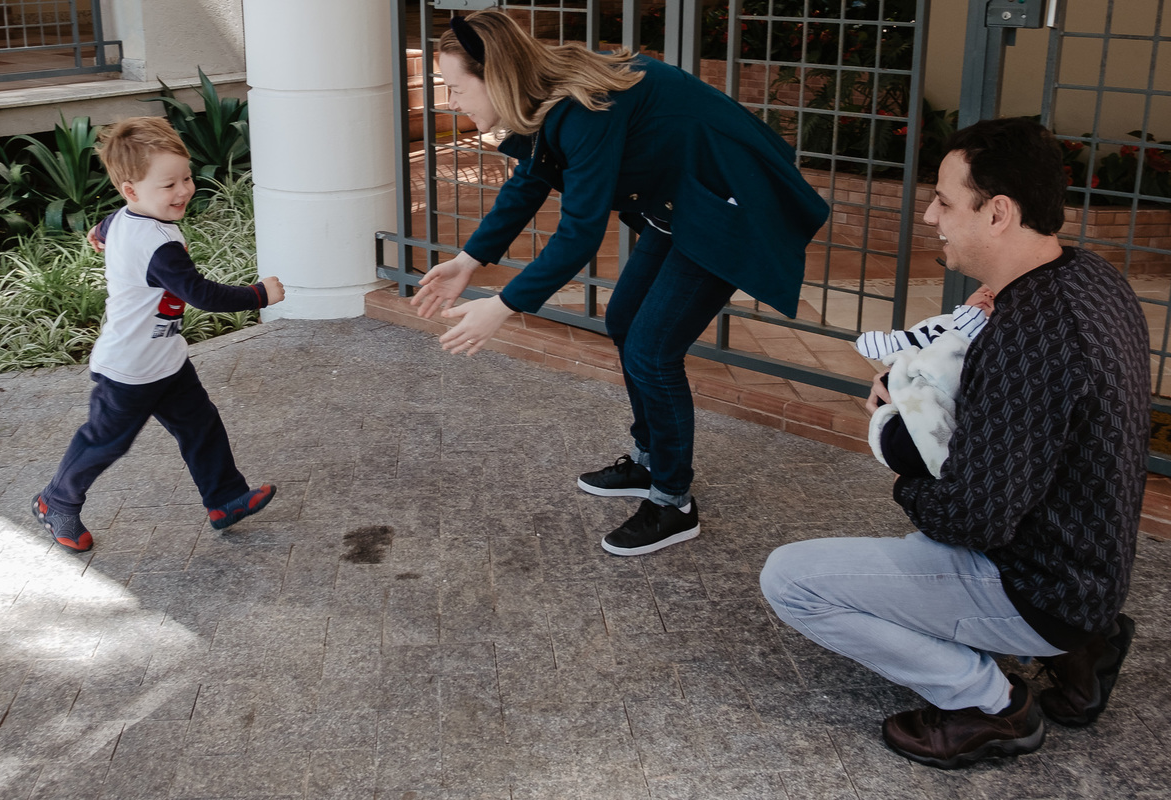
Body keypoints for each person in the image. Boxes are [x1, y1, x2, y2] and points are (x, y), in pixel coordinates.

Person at [760, 117, 1148, 769]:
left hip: (1039, 588)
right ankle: (1085, 647)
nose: (932, 214)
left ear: (997, 212)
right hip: (1091, 574)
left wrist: (903, 451)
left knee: (792, 581)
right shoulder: (1090, 279)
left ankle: (989, 705)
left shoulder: (1028, 337)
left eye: (944, 199)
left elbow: (971, 519)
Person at [411, 9, 829, 555]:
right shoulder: (549, 96)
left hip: (731, 207)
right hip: (684, 198)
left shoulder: (583, 110)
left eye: (454, 87)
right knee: (626, 321)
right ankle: (652, 458)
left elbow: (580, 233)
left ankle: (672, 502)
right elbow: (531, 179)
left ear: (497, 76)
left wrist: (506, 304)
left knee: (653, 351)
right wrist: (470, 259)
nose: (451, 101)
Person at [31, 117, 284, 553]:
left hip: (166, 361)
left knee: (201, 426)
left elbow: (111, 223)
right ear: (133, 190)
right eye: (169, 185)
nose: (183, 190)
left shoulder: (131, 216)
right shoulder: (159, 247)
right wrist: (257, 294)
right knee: (105, 442)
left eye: (185, 177)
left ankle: (226, 500)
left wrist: (99, 230)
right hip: (128, 370)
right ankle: (55, 501)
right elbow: (200, 293)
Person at [859, 286, 995, 479]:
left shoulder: (996, 332)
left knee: (934, 418)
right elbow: (912, 341)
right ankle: (901, 439)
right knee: (903, 391)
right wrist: (889, 346)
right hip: (921, 376)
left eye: (996, 296)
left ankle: (934, 458)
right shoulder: (944, 322)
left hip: (951, 386)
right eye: (983, 289)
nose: (988, 295)